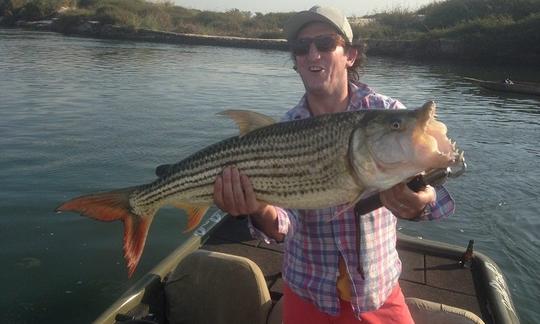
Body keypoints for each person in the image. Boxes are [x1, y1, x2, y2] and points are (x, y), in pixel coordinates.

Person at [213, 5, 454, 324]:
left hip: (378, 294)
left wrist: (422, 201)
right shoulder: (283, 131)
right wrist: (257, 208)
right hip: (307, 294)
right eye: (302, 48)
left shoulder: (388, 112)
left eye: (326, 44)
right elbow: (283, 224)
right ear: (296, 62)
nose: (313, 55)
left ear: (350, 54)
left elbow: (433, 195)